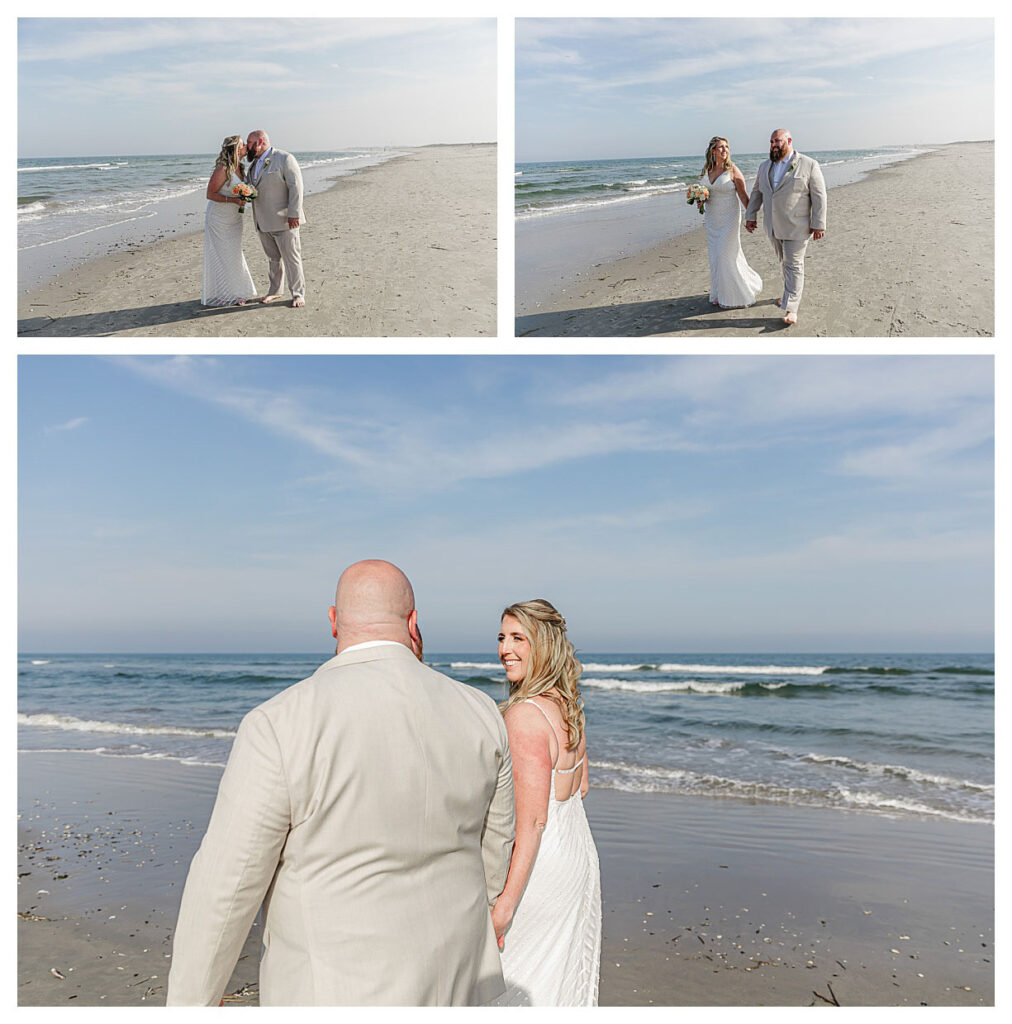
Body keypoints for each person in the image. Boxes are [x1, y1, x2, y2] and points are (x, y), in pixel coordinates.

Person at [166, 560, 515, 1006]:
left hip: (334, 991)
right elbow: (495, 850)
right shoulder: (481, 711)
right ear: (413, 622)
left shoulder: (280, 722)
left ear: (333, 621)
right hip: (458, 982)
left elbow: (227, 886)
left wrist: (192, 1003)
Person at [489, 600, 601, 1006]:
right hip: (577, 851)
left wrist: (505, 906)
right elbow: (581, 786)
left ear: (544, 645)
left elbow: (533, 822)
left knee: (516, 977)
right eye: (502, 637)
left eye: (519, 638)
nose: (505, 648)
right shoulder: (569, 705)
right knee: (557, 978)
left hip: (541, 866)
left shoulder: (524, 716)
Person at [745, 128, 827, 326]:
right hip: (773, 226)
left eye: (777, 141)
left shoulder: (808, 164)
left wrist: (819, 224)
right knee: (785, 262)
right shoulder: (764, 167)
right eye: (771, 141)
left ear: (789, 140)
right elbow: (757, 193)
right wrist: (751, 216)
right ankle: (788, 295)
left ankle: (792, 308)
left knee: (794, 265)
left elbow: (819, 196)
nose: (773, 145)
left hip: (798, 226)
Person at [245, 130, 307, 308]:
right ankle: (275, 291)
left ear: (260, 142)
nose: (247, 146)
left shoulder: (284, 158)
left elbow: (296, 186)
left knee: (292, 259)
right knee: (273, 259)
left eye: (249, 143)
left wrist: (293, 213)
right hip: (262, 221)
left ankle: (298, 294)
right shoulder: (253, 165)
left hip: (285, 220)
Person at [699, 136, 762, 308]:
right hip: (712, 219)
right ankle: (719, 293)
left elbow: (743, 195)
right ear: (713, 151)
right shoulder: (707, 170)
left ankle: (735, 295)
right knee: (715, 257)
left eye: (726, 147)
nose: (724, 150)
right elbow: (706, 193)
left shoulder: (732, 169)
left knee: (724, 254)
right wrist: (700, 200)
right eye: (720, 147)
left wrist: (751, 217)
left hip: (729, 219)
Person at [201, 135, 257, 307]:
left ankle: (236, 291)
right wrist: (233, 200)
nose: (246, 147)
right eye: (243, 145)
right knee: (223, 255)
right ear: (234, 149)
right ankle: (228, 293)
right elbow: (210, 194)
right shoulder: (223, 168)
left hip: (234, 218)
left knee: (234, 253)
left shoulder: (240, 167)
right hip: (219, 218)